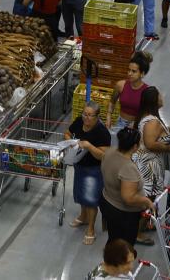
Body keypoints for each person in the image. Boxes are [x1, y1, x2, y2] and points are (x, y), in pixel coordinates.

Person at [99, 128, 153, 252]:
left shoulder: (109, 152)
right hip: (123, 214)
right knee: (124, 246)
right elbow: (128, 198)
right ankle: (118, 266)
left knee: (113, 237)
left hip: (108, 201)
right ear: (135, 146)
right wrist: (146, 201)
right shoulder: (128, 168)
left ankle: (111, 260)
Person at [65, 101, 111, 245]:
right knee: (80, 193)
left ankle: (91, 228)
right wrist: (70, 141)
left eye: (90, 115)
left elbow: (103, 155)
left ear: (97, 116)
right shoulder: (79, 122)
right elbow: (67, 132)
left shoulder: (102, 132)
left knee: (91, 199)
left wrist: (89, 146)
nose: (86, 117)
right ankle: (83, 216)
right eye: (85, 114)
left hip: (94, 169)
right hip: (79, 165)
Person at [130, 86, 170, 203]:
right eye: (160, 95)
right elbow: (150, 144)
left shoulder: (146, 117)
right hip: (149, 170)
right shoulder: (152, 121)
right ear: (154, 100)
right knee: (146, 205)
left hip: (144, 165)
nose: (162, 97)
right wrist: (169, 148)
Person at [112, 51, 153, 130]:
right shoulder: (120, 85)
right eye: (129, 70)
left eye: (134, 71)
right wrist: (109, 116)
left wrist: (139, 121)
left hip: (137, 125)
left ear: (142, 73)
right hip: (120, 124)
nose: (129, 73)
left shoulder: (147, 91)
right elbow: (112, 101)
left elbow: (157, 105)